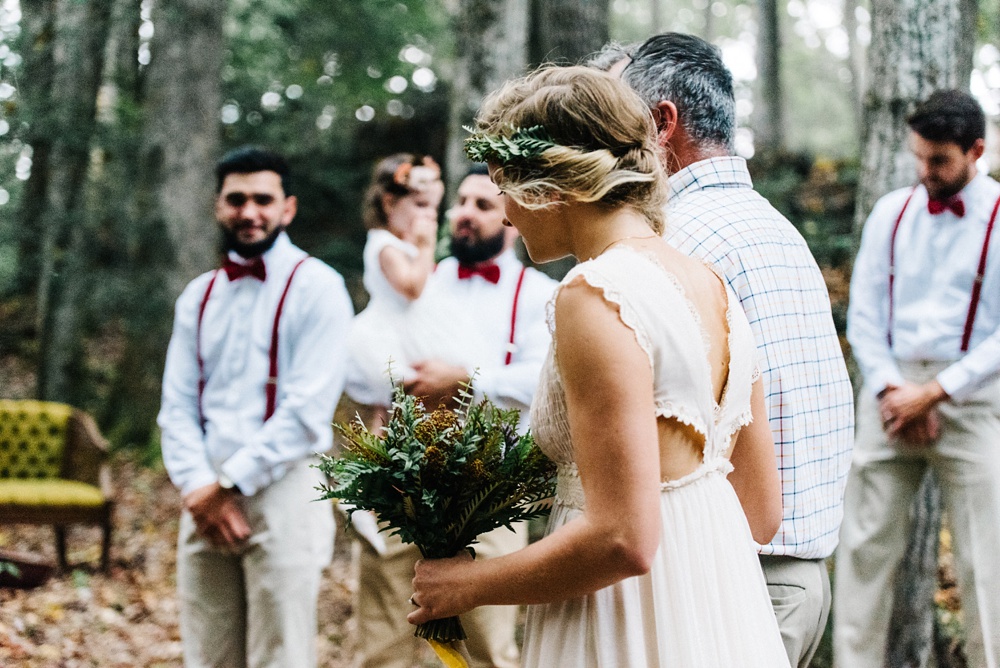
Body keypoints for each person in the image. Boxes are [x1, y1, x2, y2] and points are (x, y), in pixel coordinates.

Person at [408, 65, 790, 667]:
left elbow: (623, 541)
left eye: (505, 183)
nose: (504, 211)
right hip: (720, 612)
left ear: (552, 181)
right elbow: (761, 513)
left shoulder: (594, 294)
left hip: (622, 622)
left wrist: (465, 585)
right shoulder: (713, 286)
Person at [591, 33, 855, 667]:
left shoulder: (678, 242)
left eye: (619, 127)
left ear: (660, 124)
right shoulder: (772, 226)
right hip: (795, 574)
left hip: (732, 577)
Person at [353, 164, 557, 668]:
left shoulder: (537, 295)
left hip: (490, 489)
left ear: (513, 218)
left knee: (485, 642)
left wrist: (466, 378)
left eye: (483, 206)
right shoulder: (423, 276)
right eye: (461, 203)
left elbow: (543, 382)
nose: (464, 215)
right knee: (384, 638)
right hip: (404, 479)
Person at [157, 146, 354, 668]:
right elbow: (176, 406)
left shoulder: (320, 288)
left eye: (262, 200)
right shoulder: (198, 297)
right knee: (209, 651)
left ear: (287, 208)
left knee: (280, 654)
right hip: (203, 490)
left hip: (285, 486)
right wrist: (200, 487)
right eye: (236, 199)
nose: (249, 212)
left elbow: (308, 410)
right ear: (218, 206)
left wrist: (227, 488)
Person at [835, 89, 1000, 668]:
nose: (925, 172)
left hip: (973, 398)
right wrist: (891, 391)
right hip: (888, 394)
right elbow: (865, 315)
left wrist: (935, 393)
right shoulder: (892, 212)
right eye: (919, 157)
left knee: (988, 560)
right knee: (862, 551)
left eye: (939, 161)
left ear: (976, 150)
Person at [344, 154, 443, 421]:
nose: (430, 214)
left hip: (414, 329)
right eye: (421, 204)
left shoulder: (402, 245)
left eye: (434, 207)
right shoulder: (385, 246)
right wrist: (425, 248)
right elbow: (411, 287)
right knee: (396, 406)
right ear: (389, 203)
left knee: (409, 409)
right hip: (389, 334)